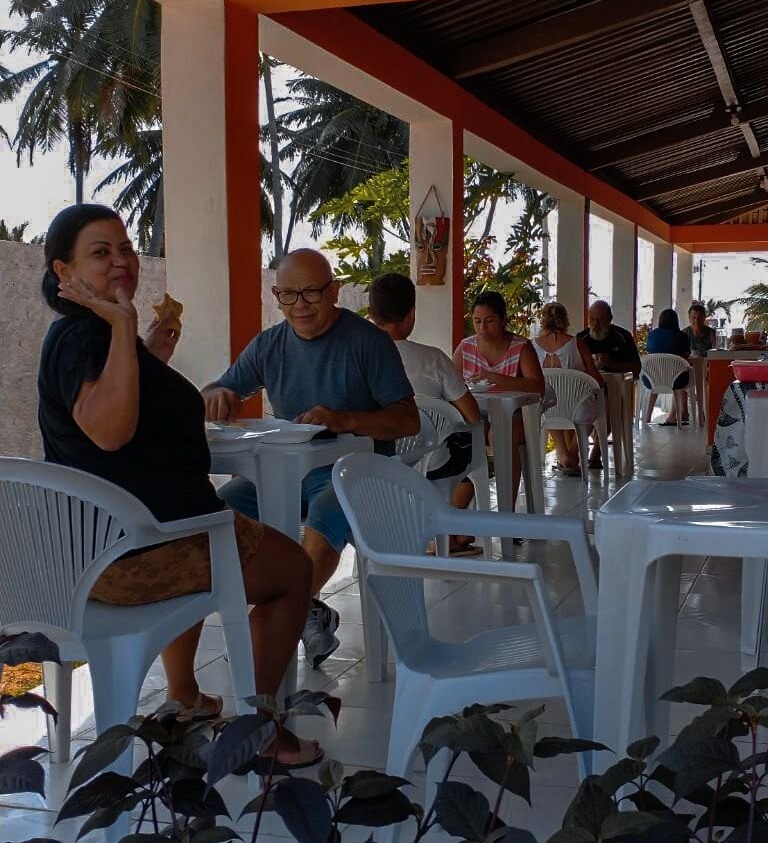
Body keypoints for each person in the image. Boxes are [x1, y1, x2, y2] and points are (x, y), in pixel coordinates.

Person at [36, 204, 320, 766]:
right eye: (100, 252)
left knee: (217, 528)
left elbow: (120, 413)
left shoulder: (92, 336)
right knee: (292, 571)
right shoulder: (82, 336)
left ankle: (186, 696)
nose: (121, 261)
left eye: (125, 248)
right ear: (62, 271)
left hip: (123, 542)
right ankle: (259, 734)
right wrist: (121, 326)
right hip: (136, 553)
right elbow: (112, 432)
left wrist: (144, 350)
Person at [203, 249, 419, 666]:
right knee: (215, 516)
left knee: (320, 526)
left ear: (334, 292)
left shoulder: (367, 342)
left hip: (357, 473)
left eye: (311, 293)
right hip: (284, 470)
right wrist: (218, 396)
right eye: (288, 295)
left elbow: (409, 420)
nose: (299, 305)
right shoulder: (269, 345)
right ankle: (303, 610)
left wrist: (346, 419)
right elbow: (219, 388)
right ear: (275, 295)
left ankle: (268, 627)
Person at [368, 272, 483, 554]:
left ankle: (446, 532)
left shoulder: (359, 358)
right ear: (411, 315)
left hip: (374, 459)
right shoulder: (433, 359)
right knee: (469, 455)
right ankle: (446, 532)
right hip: (430, 460)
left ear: (370, 314)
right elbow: (472, 415)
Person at [452, 292, 544, 506]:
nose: (482, 328)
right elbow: (450, 384)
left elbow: (537, 386)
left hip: (516, 415)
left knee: (500, 434)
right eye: (477, 321)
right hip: (478, 414)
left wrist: (494, 378)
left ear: (503, 320)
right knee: (465, 434)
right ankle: (461, 509)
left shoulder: (521, 347)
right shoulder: (466, 347)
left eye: (489, 321)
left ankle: (507, 507)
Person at [533, 301, 603, 475]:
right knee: (592, 408)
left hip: (546, 409)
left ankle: (563, 452)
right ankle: (573, 452)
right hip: (577, 407)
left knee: (547, 406)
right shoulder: (577, 343)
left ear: (543, 321)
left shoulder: (532, 346)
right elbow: (596, 379)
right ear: (565, 321)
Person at [576, 300, 641, 467]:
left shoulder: (622, 337)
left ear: (610, 319)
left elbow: (636, 367)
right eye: (592, 319)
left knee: (611, 405)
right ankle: (573, 453)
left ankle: (596, 452)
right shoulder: (580, 339)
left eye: (600, 319)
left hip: (616, 391)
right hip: (588, 392)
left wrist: (612, 364)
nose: (595, 324)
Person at [644, 307, 691, 426]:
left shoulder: (652, 335)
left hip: (652, 379)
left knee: (654, 387)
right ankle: (672, 416)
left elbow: (649, 351)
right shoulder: (682, 336)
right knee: (679, 380)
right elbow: (686, 355)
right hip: (676, 380)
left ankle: (647, 417)